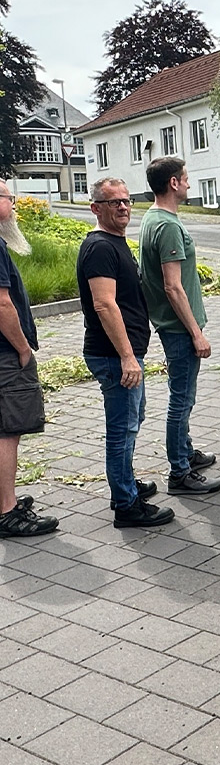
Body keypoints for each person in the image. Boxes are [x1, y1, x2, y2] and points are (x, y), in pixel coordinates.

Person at [77, 178, 174, 528]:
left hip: (125, 353)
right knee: (121, 429)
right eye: (113, 202)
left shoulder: (116, 243)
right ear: (96, 209)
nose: (122, 206)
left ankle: (126, 482)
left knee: (132, 421)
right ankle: (126, 505)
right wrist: (127, 357)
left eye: (126, 200)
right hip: (114, 355)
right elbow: (104, 304)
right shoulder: (100, 247)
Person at [139, 156, 220, 496]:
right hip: (178, 328)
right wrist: (196, 332)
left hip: (170, 325)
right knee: (181, 399)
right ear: (173, 183)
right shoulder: (168, 225)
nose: (189, 183)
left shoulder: (152, 217)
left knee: (182, 396)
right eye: (186, 178)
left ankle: (185, 451)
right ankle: (180, 472)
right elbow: (173, 286)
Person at [0, 181, 58, 538]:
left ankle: (5, 501)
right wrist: (23, 347)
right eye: (10, 198)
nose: (15, 205)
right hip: (5, 354)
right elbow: (2, 304)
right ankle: (7, 511)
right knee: (8, 432)